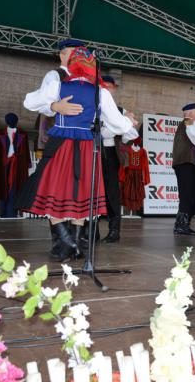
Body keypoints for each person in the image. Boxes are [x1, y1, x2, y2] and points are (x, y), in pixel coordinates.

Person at [17, 45, 138, 262]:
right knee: (83, 194)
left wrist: (53, 105)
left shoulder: (57, 85)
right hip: (86, 148)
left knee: (53, 193)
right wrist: (128, 120)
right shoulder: (99, 92)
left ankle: (67, 244)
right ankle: (74, 244)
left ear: (72, 64)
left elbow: (28, 101)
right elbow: (119, 126)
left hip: (61, 145)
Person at [98, 75, 135, 243]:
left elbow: (131, 133)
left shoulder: (120, 110)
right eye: (102, 86)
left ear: (113, 89)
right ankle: (90, 231)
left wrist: (123, 123)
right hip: (93, 151)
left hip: (110, 153)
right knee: (92, 191)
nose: (105, 89)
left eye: (109, 87)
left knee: (112, 192)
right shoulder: (93, 107)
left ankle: (114, 230)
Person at [0, 113, 31, 218]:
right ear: (7, 121)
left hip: (18, 164)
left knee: (15, 187)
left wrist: (27, 163)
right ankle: (3, 212)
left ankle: (12, 212)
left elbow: (26, 150)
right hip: (2, 164)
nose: (12, 121)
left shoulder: (23, 134)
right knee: (3, 186)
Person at [171, 103, 195, 235]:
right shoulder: (189, 122)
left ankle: (183, 224)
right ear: (190, 113)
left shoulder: (187, 123)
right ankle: (181, 225)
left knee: (188, 194)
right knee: (186, 194)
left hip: (186, 163)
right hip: (186, 162)